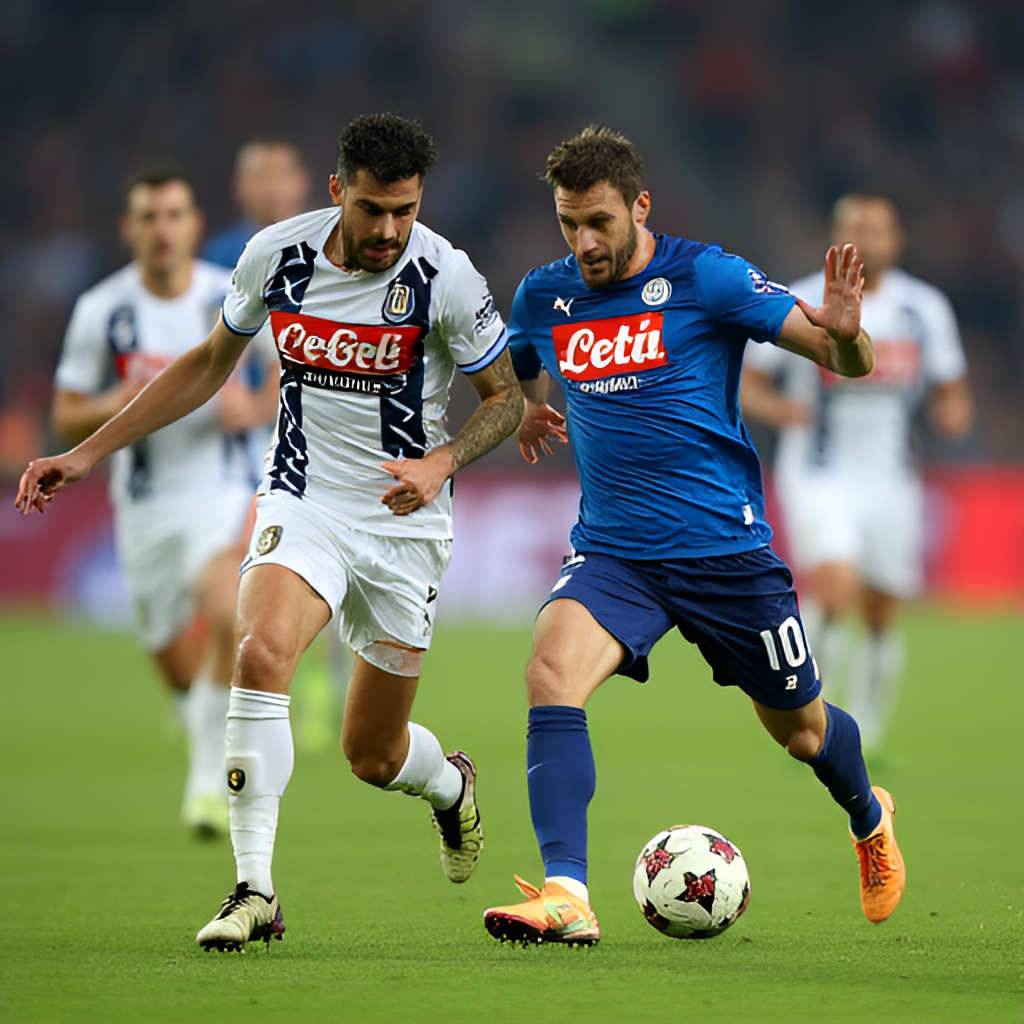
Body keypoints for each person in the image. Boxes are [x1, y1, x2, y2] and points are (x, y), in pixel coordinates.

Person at [18, 113, 523, 952]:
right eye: (372, 209)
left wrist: (442, 462)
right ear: (336, 192)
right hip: (303, 501)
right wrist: (87, 451)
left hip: (403, 528)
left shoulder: (447, 276)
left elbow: (503, 396)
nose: (389, 230)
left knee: (371, 752)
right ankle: (254, 890)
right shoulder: (277, 257)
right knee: (259, 651)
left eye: (404, 210)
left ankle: (448, 786)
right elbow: (211, 362)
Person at [481, 126, 904, 946]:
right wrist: (527, 403)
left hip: (724, 552)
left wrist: (848, 332)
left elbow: (839, 358)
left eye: (600, 220)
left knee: (801, 731)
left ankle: (867, 814)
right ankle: (567, 892)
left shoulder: (705, 275)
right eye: (569, 223)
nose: (585, 241)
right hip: (614, 552)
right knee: (549, 673)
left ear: (641, 206)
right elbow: (522, 359)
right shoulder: (546, 293)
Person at [50, 170, 278, 837]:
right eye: (148, 217)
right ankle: (200, 723)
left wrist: (252, 407)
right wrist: (119, 403)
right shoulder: (102, 310)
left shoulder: (226, 293)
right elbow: (66, 417)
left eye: (173, 214)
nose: (162, 229)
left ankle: (206, 785)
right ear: (129, 229)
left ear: (194, 224)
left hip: (226, 489)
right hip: (145, 505)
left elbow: (289, 375)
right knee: (178, 669)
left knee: (227, 607)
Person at [740, 194, 972, 750]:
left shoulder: (925, 308)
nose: (867, 239)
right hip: (820, 473)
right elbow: (749, 380)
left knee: (881, 611)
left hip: (892, 478)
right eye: (855, 229)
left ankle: (865, 737)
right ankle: (810, 714)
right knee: (836, 590)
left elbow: (950, 388)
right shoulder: (798, 299)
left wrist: (952, 412)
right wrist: (780, 412)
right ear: (836, 239)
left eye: (878, 229)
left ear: (897, 239)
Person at [203, 140, 311, 270]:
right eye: (263, 177)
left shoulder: (326, 242)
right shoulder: (223, 251)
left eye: (282, 175)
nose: (274, 188)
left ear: (303, 180)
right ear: (239, 184)